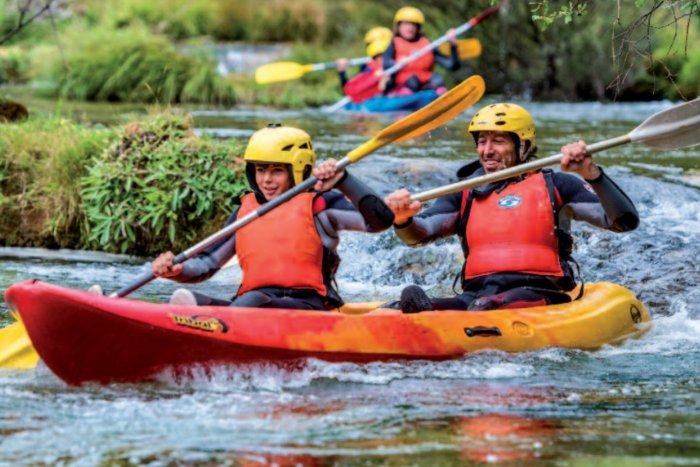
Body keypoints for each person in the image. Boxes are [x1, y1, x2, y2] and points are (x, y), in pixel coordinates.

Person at [384, 103, 640, 313]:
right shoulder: (465, 192)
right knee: (403, 306)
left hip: (540, 292)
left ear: (523, 146)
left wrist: (591, 173)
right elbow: (420, 233)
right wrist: (403, 219)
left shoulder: (557, 185)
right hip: (477, 294)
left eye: (498, 141)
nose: (487, 150)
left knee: (486, 307)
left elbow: (622, 221)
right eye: (482, 141)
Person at [151, 123, 395, 310]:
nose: (266, 180)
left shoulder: (321, 205)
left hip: (309, 307)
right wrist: (177, 269)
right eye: (260, 170)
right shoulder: (244, 213)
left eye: (276, 171)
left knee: (253, 301)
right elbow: (206, 263)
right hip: (251, 306)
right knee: (187, 301)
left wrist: (343, 180)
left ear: (298, 170)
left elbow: (380, 221)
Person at [381, 6, 460, 96]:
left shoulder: (428, 45)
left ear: (418, 27)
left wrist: (453, 46)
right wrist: (397, 63)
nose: (410, 27)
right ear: (399, 26)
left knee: (437, 79)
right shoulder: (394, 44)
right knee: (413, 81)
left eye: (414, 24)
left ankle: (441, 97)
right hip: (403, 87)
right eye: (406, 23)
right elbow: (385, 65)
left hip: (425, 88)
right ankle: (406, 98)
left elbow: (452, 66)